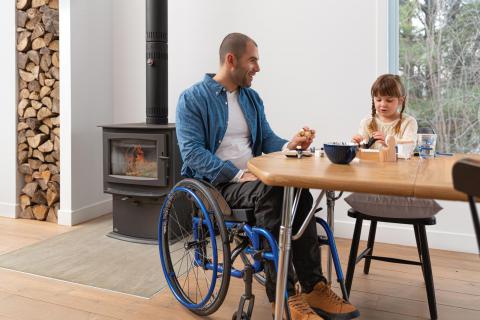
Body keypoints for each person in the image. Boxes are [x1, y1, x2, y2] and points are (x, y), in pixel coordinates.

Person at [176, 32, 359, 320]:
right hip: (219, 186)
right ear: (231, 59)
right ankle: (285, 296)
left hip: (255, 179)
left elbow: (266, 139)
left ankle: (314, 287)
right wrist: (236, 175)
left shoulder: (251, 98)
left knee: (299, 191)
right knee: (276, 193)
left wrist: (290, 145)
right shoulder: (192, 99)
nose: (258, 68)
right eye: (253, 61)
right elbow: (193, 154)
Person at [352, 74, 418, 149]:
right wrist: (356, 143)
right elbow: (362, 148)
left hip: (398, 161)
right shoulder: (367, 122)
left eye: (389, 100)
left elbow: (410, 146)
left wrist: (389, 141)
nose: (383, 104)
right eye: (378, 100)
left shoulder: (408, 122)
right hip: (371, 161)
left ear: (400, 101)